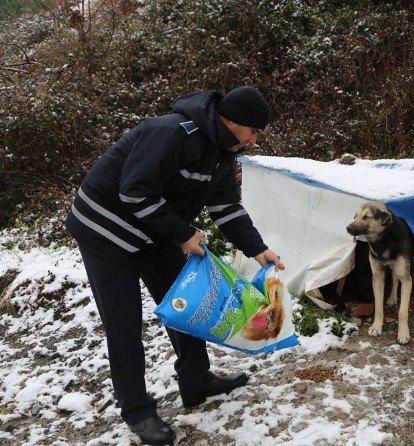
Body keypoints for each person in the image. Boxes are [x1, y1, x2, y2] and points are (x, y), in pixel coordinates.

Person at [65, 87, 285, 445]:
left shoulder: (222, 154)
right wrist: (183, 234)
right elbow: (134, 192)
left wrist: (257, 250)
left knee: (188, 304)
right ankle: (137, 410)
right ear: (232, 122)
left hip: (155, 231)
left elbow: (226, 208)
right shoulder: (170, 133)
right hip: (105, 230)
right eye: (254, 132)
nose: (255, 140)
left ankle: (197, 380)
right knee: (124, 324)